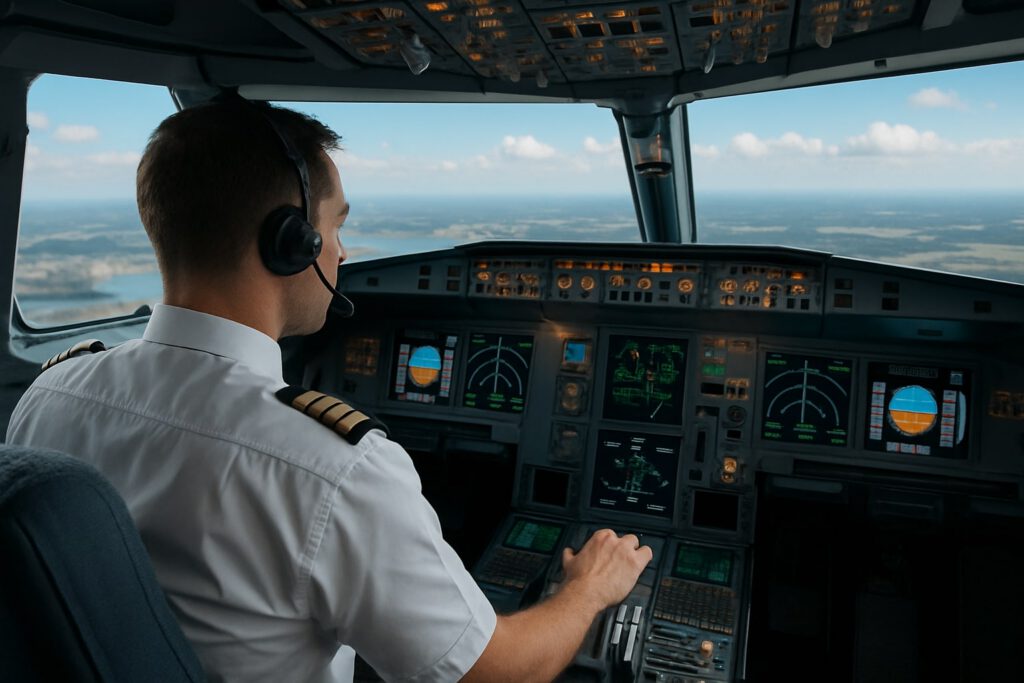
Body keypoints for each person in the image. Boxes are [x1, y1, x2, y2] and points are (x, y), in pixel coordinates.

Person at [6, 100, 652, 682]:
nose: (342, 251)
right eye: (335, 227)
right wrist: (587, 589)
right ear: (291, 244)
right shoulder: (331, 469)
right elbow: (495, 673)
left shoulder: (50, 393)